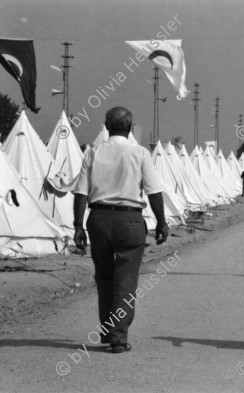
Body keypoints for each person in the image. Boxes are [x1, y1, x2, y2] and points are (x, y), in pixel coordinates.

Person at [73, 106, 169, 354]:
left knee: (104, 276)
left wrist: (77, 226)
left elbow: (81, 192)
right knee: (125, 280)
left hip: (99, 219)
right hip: (130, 221)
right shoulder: (139, 153)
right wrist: (161, 222)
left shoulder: (92, 152)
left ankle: (108, 329)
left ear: (106, 125)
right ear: (130, 126)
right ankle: (117, 337)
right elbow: (154, 191)